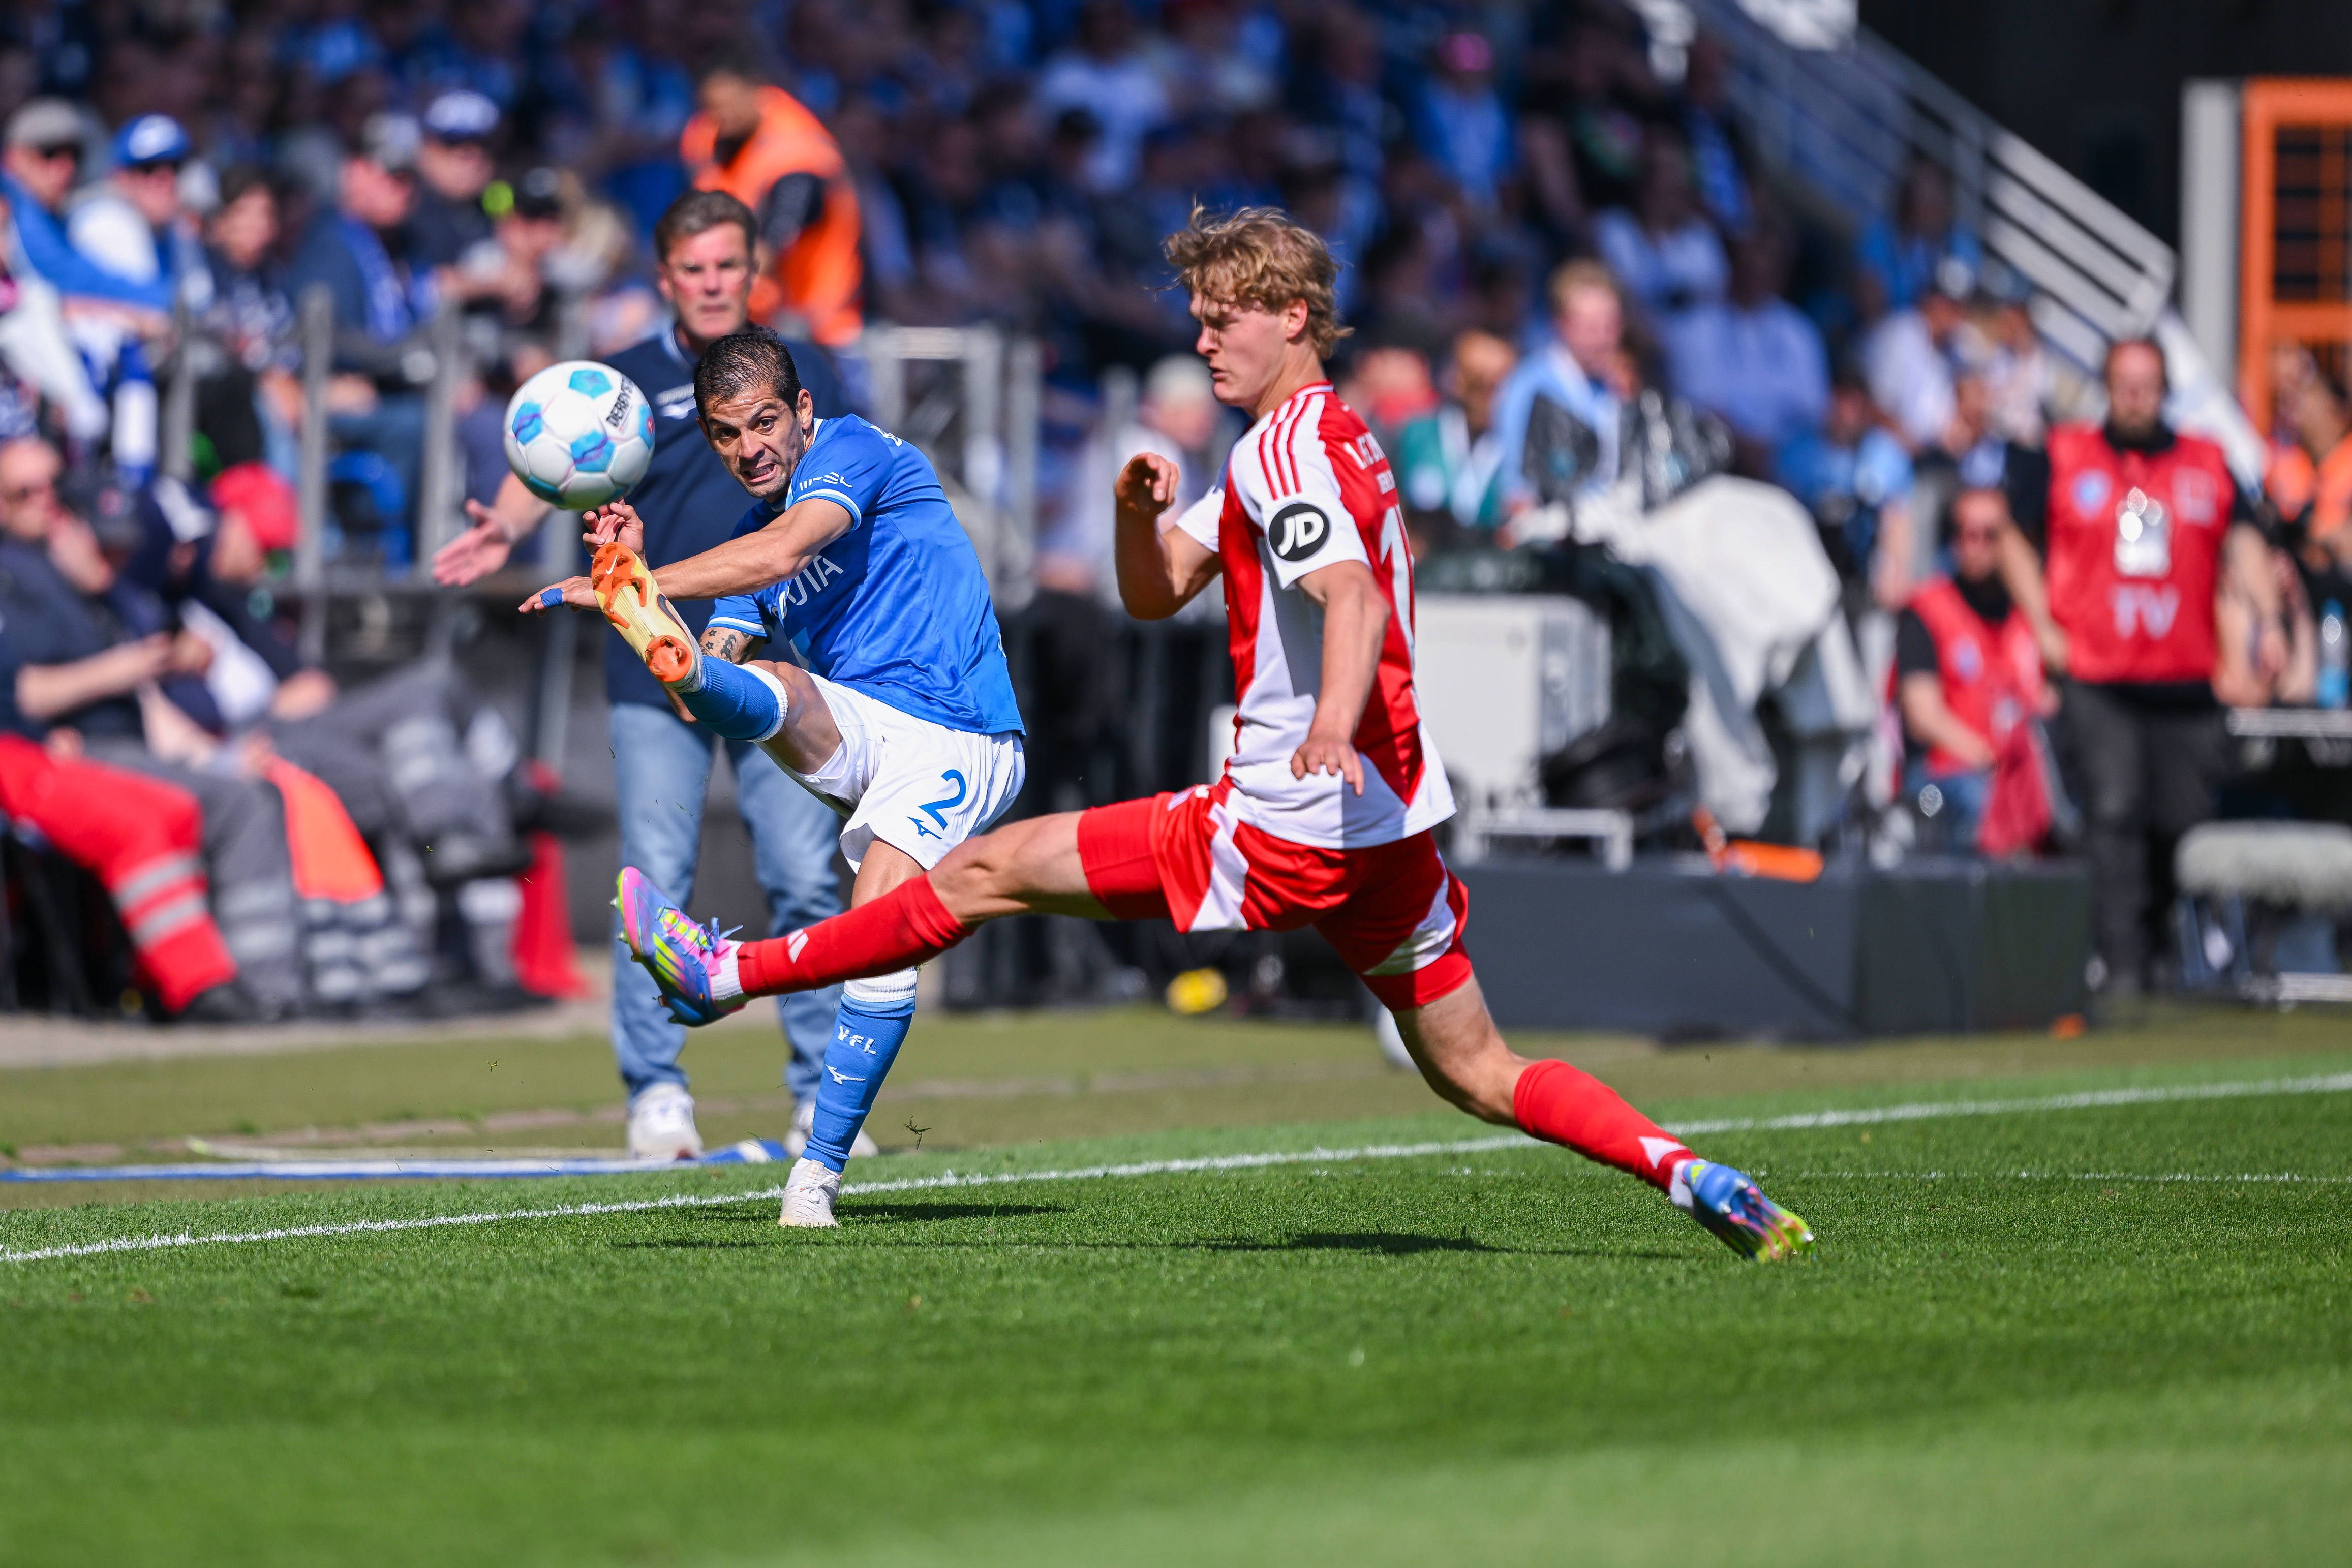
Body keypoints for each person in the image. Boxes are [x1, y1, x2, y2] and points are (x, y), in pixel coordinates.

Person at [614, 207, 1814, 1263]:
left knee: (979, 871)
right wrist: (1135, 516)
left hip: (1289, 816)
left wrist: (1328, 723)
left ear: (1292, 316)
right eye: (1196, 319)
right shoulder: (1320, 437)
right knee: (1476, 1069)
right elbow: (1156, 590)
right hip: (1392, 825)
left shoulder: (1284, 455)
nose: (1202, 341)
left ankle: (727, 974)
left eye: (1221, 318)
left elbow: (1349, 596)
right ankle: (1687, 1169)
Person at [526, 323, 1026, 1228]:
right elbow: (700, 690)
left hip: (960, 734)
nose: (749, 448)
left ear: (802, 409)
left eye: (764, 422)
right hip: (863, 724)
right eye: (726, 433)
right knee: (777, 686)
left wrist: (637, 585)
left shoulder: (857, 451)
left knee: (876, 924)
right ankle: (724, 996)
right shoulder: (747, 537)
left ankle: (813, 1176)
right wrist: (638, 605)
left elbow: (789, 551)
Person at [433, 190, 849, 1160]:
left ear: (754, 272)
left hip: (777, 668)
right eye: (692, 269)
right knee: (652, 890)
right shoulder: (619, 387)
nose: (712, 284)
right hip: (654, 667)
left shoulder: (801, 373)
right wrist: (505, 525)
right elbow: (553, 457)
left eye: (728, 266)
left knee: (801, 879)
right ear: (664, 279)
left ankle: (820, 1098)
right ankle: (657, 1094)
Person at [2001, 338, 2281, 997]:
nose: (2134, 397)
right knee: (2113, 810)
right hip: (2098, 675)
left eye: (2146, 385)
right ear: (2105, 387)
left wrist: (2267, 622)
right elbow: (2013, 535)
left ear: (2164, 390)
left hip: (2185, 679)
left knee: (2178, 821)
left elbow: (2245, 542)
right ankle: (2121, 962)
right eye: (2123, 384)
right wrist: (2042, 625)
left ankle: (2159, 950)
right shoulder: (2062, 455)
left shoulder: (2206, 461)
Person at [1893, 486, 2050, 849]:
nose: (1979, 546)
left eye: (1992, 534)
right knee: (1981, 800)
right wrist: (1989, 759)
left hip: (2021, 773)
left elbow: (2047, 698)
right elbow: (1923, 716)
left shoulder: (2028, 615)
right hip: (1947, 775)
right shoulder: (1927, 609)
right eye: (1968, 534)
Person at [680, 62, 863, 353]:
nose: (721, 117)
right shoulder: (711, 136)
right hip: (750, 317)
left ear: (756, 93)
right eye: (713, 108)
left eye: (729, 105)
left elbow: (774, 244)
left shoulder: (795, 150)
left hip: (814, 322)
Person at [1660, 223, 1827, 468]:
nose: (1760, 271)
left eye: (1771, 265)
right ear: (1734, 261)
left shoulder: (1801, 336)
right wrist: (1750, 455)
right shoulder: (1694, 325)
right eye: (1753, 263)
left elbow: (1812, 414)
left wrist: (1774, 458)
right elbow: (1698, 406)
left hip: (1782, 467)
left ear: (1783, 275)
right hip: (1707, 460)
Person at [1492, 259, 1629, 519]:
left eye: (1610, 326)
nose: (1602, 339)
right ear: (1562, 325)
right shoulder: (1528, 388)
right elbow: (1515, 489)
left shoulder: (1613, 388)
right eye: (1591, 328)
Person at [1392, 328, 1516, 545]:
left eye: (1496, 385)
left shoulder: (1522, 445)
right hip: (1430, 561)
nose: (1487, 396)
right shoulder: (1418, 436)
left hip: (1498, 562)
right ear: (1456, 378)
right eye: (1476, 381)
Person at [66, 114, 204, 301]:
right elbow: (149, 306)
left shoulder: (178, 229)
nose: (165, 180)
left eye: (175, 166)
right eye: (149, 169)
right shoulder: (103, 222)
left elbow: (200, 298)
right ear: (121, 177)